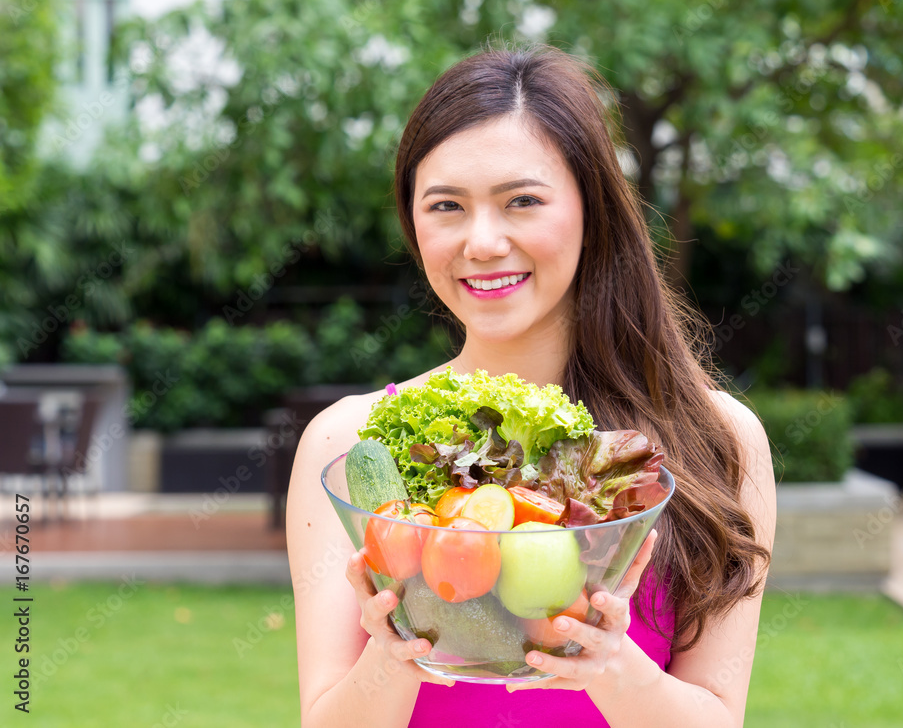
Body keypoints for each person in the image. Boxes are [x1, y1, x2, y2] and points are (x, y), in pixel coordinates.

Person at [287, 43, 776, 728]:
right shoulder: (346, 443)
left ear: (591, 209)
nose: (482, 241)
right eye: (446, 205)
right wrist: (394, 649)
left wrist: (612, 663)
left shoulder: (716, 440)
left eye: (522, 200)